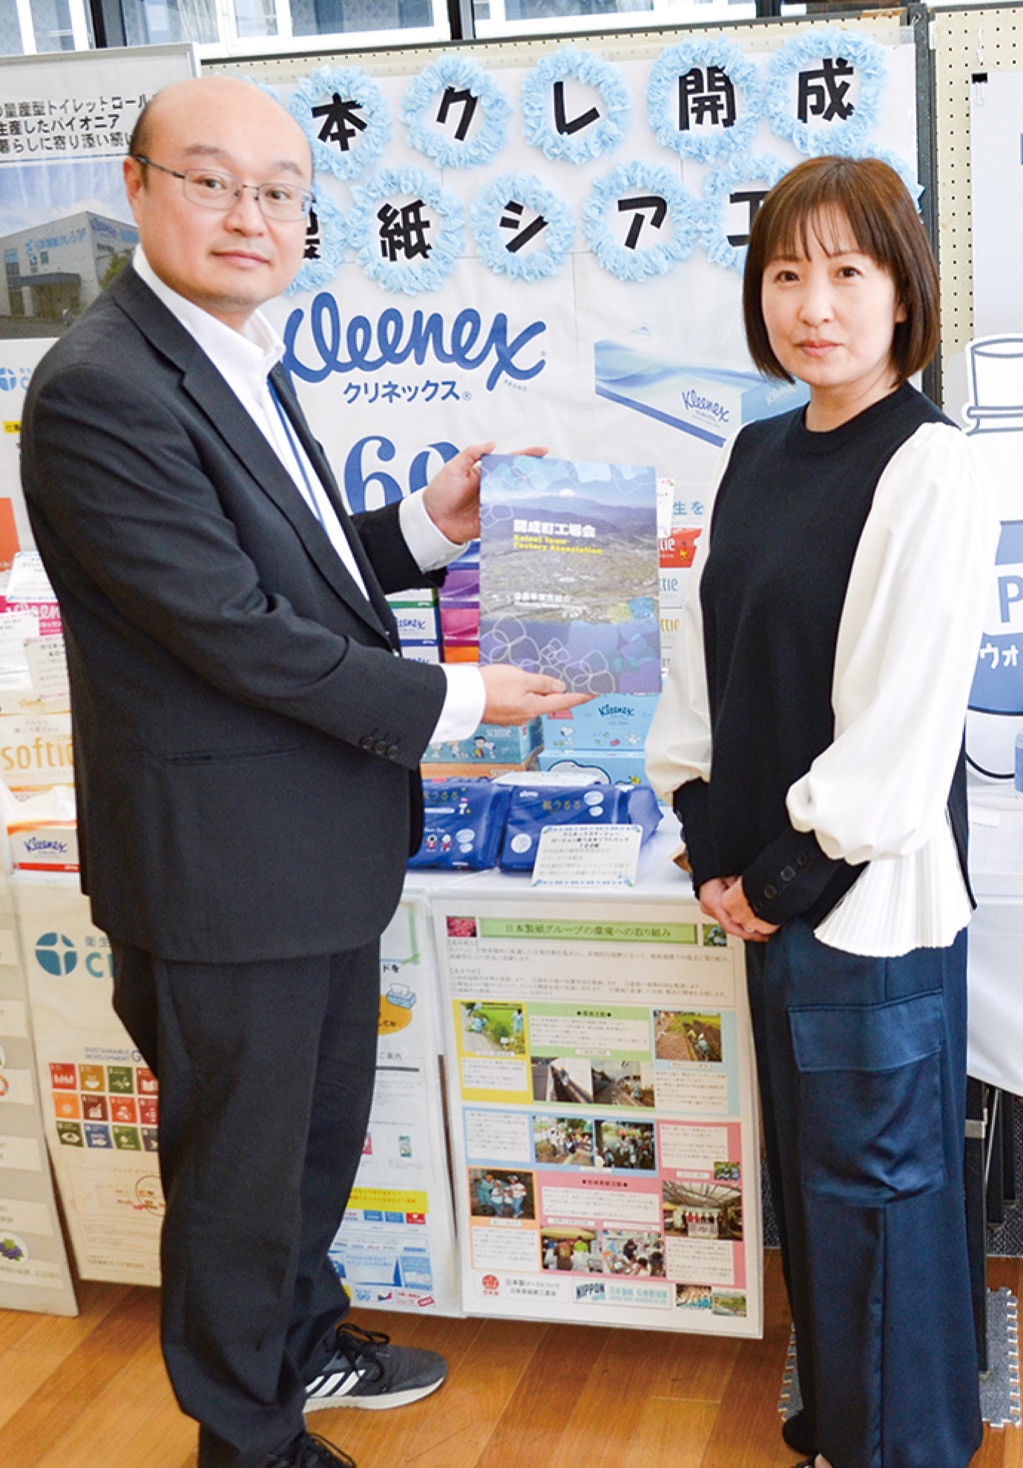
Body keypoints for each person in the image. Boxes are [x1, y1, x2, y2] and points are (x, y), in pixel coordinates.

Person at [20, 75, 586, 1468]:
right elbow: (233, 632)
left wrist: (431, 528)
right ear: (139, 187)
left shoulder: (238, 355)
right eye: (211, 181)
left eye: (280, 193)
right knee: (239, 1185)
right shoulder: (100, 388)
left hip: (309, 854)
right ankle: (248, 1440)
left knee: (309, 1149)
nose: (249, 216)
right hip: (223, 877)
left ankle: (301, 1344)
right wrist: (464, 697)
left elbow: (306, 573)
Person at [645, 156, 999, 1468]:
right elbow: (706, 664)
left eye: (850, 271)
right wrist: (705, 844)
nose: (815, 304)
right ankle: (850, 1422)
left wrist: (778, 878)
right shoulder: (755, 452)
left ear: (905, 294)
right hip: (766, 897)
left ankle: (900, 1446)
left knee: (879, 1196)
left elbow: (903, 727)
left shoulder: (931, 465)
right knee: (817, 1186)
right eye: (788, 273)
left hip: (865, 909)